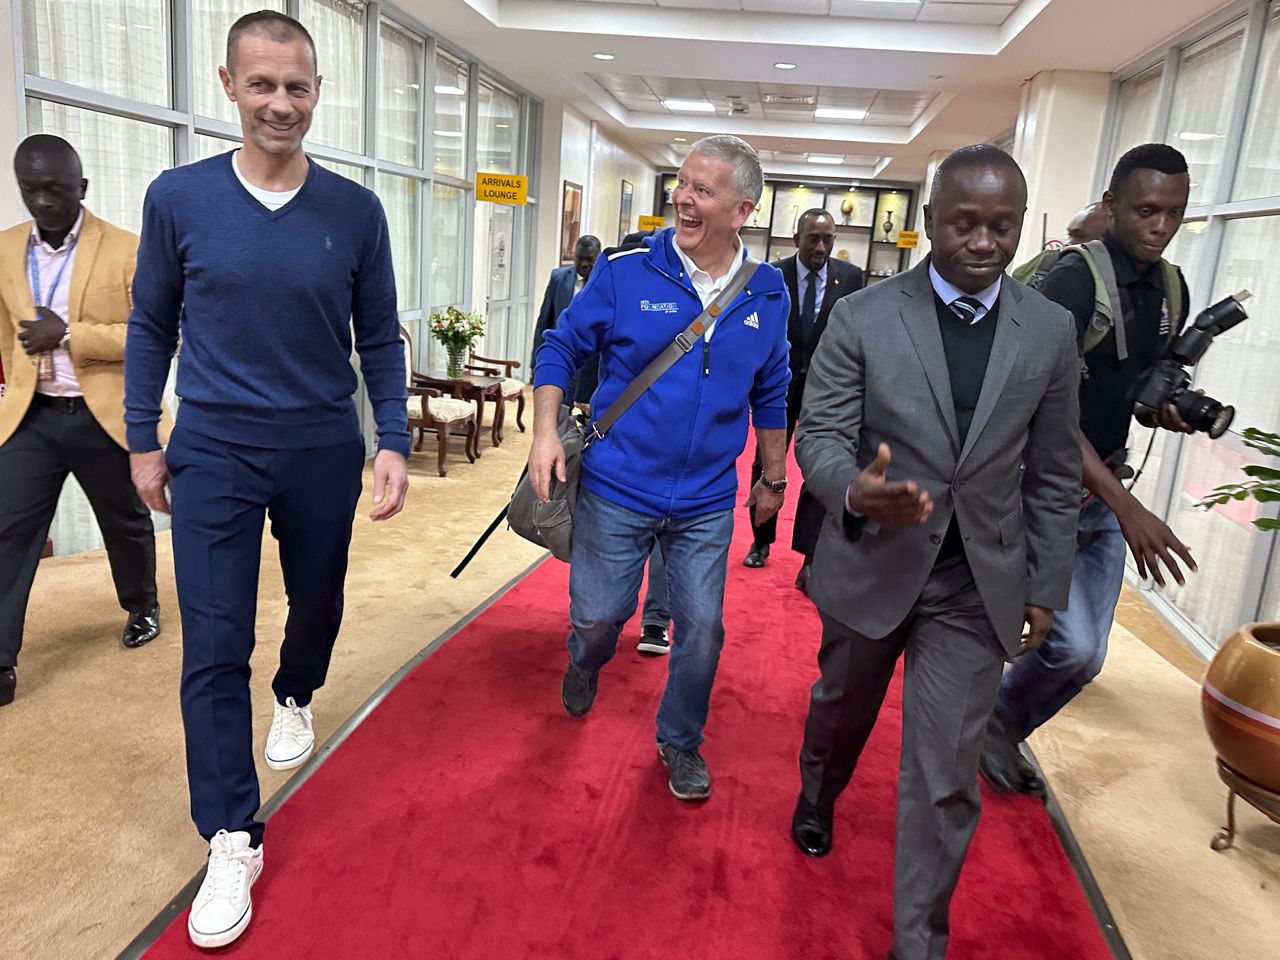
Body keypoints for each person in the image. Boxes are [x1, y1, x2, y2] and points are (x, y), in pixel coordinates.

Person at [124, 11, 410, 949]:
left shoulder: (357, 212)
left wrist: (393, 438)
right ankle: (232, 834)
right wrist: (141, 438)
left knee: (317, 599)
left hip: (324, 442)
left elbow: (378, 337)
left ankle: (297, 690)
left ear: (316, 92)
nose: (279, 103)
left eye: (296, 86)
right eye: (261, 85)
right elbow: (150, 326)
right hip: (214, 443)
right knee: (212, 640)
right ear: (229, 86)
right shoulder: (179, 197)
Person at [789, 144, 1081, 960]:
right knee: (841, 711)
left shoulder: (1049, 330)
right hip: (874, 560)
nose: (984, 243)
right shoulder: (864, 315)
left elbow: (1055, 472)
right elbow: (821, 434)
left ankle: (919, 940)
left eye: (1003, 226)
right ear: (928, 224)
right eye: (965, 224)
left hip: (974, 583)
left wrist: (1044, 584)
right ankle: (819, 792)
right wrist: (852, 489)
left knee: (943, 771)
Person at [530, 134, 791, 802]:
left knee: (702, 629)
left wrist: (771, 477)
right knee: (598, 615)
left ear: (743, 210)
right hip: (619, 486)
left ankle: (680, 740)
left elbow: (771, 387)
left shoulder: (766, 292)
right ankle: (585, 658)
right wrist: (541, 434)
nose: (684, 198)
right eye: (682, 183)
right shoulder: (626, 272)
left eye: (704, 190)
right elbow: (560, 345)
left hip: (705, 498)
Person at [980, 143, 1198, 796]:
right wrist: (1128, 508)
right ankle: (958, 735)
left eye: (1174, 213)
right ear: (1112, 207)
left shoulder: (1171, 288)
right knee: (986, 625)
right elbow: (1041, 408)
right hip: (1032, 487)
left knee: (1079, 651)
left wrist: (1166, 410)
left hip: (1099, 486)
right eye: (1146, 210)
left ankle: (999, 723)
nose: (1159, 226)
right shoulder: (1072, 281)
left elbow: (1132, 390)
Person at [0, 134, 168, 708]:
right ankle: (1, 660)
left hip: (102, 417)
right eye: (31, 189)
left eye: (56, 189)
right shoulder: (4, 249)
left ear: (81, 189)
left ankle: (142, 605)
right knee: (9, 534)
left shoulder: (126, 249)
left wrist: (68, 336)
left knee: (124, 522)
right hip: (31, 419)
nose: (43, 201)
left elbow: (154, 335)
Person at [742, 208, 863, 590]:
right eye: (814, 238)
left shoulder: (852, 279)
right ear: (797, 240)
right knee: (767, 461)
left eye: (829, 240)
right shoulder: (774, 275)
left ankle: (812, 556)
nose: (822, 247)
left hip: (829, 391)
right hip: (779, 386)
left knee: (822, 468)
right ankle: (761, 542)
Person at [531, 235, 601, 405]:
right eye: (580, 259)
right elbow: (544, 322)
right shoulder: (558, 278)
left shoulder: (607, 282)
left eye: (590, 260)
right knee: (557, 414)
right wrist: (536, 361)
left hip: (592, 367)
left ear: (599, 257)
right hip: (563, 359)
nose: (584, 265)